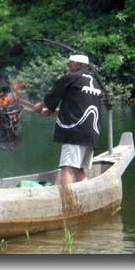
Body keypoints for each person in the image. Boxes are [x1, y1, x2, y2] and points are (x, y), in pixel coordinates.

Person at [33, 53, 102, 185]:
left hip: (75, 132)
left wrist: (40, 106)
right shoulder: (94, 81)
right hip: (91, 133)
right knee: (79, 169)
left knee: (67, 168)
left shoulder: (72, 77)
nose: (68, 65)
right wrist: (54, 111)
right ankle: (85, 196)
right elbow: (82, 107)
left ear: (76, 63)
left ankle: (68, 202)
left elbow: (53, 95)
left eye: (69, 62)